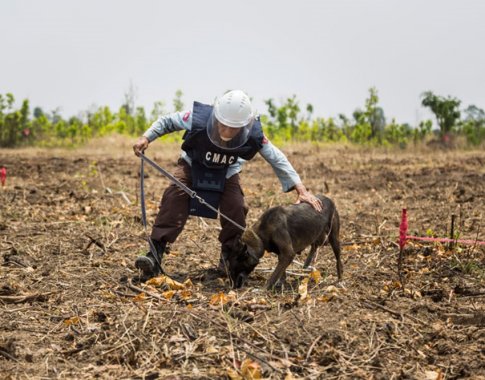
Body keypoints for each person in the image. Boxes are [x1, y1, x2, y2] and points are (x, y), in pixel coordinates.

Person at [132, 89, 322, 281]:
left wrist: (301, 189)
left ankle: (229, 259)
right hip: (192, 165)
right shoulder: (198, 118)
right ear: (216, 116)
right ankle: (154, 256)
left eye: (234, 127)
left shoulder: (254, 134)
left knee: (237, 207)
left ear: (246, 125)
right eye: (223, 125)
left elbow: (276, 157)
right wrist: (146, 137)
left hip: (227, 172)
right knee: (174, 197)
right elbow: (168, 121)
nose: (227, 132)